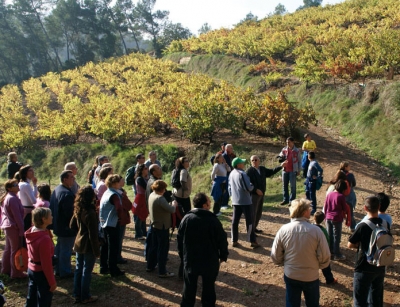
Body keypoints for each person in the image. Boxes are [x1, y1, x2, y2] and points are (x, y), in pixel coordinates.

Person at [271, 198, 331, 307]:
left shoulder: (283, 230)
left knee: (292, 303)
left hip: (291, 274)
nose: (311, 210)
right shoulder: (316, 231)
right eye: (309, 208)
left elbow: (275, 255)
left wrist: (284, 264)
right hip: (311, 276)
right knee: (312, 303)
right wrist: (319, 266)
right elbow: (325, 255)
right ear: (304, 212)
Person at [177, 193, 229, 307]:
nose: (210, 204)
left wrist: (182, 256)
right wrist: (223, 254)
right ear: (204, 205)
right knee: (209, 288)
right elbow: (222, 239)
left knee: (189, 288)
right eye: (209, 202)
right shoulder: (213, 220)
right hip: (209, 261)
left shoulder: (186, 218)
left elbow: (180, 239)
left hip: (191, 259)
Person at [348, 196, 390, 307]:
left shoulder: (362, 226)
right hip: (380, 265)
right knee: (376, 299)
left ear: (365, 208)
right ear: (379, 207)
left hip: (363, 267)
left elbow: (350, 244)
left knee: (360, 300)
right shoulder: (385, 224)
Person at [70, 186, 100, 304]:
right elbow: (93, 235)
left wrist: (80, 230)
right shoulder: (90, 212)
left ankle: (77, 294)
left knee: (79, 269)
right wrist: (97, 251)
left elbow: (72, 225)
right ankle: (85, 296)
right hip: (88, 245)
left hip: (78, 243)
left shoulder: (78, 209)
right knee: (87, 271)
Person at [25, 207, 56, 306]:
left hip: (31, 269)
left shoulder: (32, 231)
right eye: (50, 215)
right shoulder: (44, 239)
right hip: (41, 272)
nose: (52, 217)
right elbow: (46, 264)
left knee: (31, 297)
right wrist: (52, 282)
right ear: (44, 219)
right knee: (44, 300)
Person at [246, 155, 285, 233]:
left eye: (255, 160)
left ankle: (254, 228)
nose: (254, 161)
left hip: (262, 194)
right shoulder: (249, 171)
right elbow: (248, 184)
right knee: (253, 213)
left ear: (259, 161)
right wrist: (255, 190)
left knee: (259, 212)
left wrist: (280, 166)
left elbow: (271, 172)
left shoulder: (262, 169)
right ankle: (250, 231)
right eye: (252, 160)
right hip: (254, 195)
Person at [146, 180, 177, 278]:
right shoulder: (160, 199)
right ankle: (162, 271)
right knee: (162, 249)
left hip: (154, 224)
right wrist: (174, 204)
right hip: (162, 226)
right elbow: (172, 210)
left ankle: (150, 266)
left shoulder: (152, 195)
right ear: (162, 189)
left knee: (153, 247)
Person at [50, 170, 76, 278]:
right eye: (71, 177)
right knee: (65, 250)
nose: (73, 179)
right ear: (65, 179)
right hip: (66, 228)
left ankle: (58, 269)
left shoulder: (57, 189)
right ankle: (65, 271)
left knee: (59, 248)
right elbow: (69, 213)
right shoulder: (67, 194)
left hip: (58, 225)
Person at [228, 157, 259, 248]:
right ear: (238, 165)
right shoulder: (242, 174)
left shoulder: (231, 173)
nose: (243, 164)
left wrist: (232, 198)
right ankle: (252, 241)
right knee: (249, 221)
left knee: (235, 221)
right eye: (242, 163)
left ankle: (234, 240)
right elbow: (248, 188)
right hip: (245, 201)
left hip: (235, 201)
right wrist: (252, 186)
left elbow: (229, 188)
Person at [99, 174, 125, 277]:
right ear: (114, 183)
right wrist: (120, 217)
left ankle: (103, 267)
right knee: (113, 247)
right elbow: (118, 207)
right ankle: (113, 269)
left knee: (105, 246)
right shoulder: (114, 195)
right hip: (113, 223)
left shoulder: (107, 192)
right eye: (119, 182)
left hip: (104, 222)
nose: (120, 183)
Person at [0, 179, 26, 279]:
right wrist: (21, 229)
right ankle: (15, 273)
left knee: (8, 249)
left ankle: (5, 270)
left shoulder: (9, 197)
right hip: (13, 227)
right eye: (15, 185)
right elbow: (17, 216)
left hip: (8, 226)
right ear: (9, 188)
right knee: (15, 250)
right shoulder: (13, 199)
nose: (17, 185)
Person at [323, 180, 348, 261]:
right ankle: (337, 254)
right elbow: (344, 208)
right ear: (343, 189)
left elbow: (325, 206)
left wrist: (325, 217)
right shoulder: (341, 196)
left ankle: (330, 252)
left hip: (328, 217)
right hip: (337, 218)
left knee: (329, 235)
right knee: (336, 236)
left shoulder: (329, 194)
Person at [313, 211, 338, 285]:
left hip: (312, 250)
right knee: (325, 265)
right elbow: (327, 240)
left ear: (314, 218)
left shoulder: (310, 228)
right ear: (323, 219)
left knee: (312, 266)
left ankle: (314, 279)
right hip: (321, 251)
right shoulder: (323, 230)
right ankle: (329, 279)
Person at [279, 137, 302, 206]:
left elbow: (299, 161)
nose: (287, 143)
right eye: (286, 142)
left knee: (292, 186)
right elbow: (280, 156)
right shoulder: (284, 149)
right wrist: (281, 157)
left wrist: (298, 170)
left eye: (288, 142)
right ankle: (285, 199)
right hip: (285, 170)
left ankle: (292, 200)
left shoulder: (296, 151)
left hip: (293, 170)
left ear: (292, 142)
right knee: (284, 185)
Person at [18, 165, 38, 231]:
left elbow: (34, 196)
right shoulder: (26, 185)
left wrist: (34, 185)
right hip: (28, 212)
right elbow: (34, 201)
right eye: (30, 170)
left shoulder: (22, 183)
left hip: (24, 210)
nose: (33, 172)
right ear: (25, 173)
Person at [117, 180, 132, 264]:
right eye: (121, 180)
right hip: (121, 219)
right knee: (119, 239)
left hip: (117, 220)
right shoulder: (120, 194)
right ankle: (117, 257)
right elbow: (129, 205)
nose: (123, 181)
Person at [133, 164, 149, 240]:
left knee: (143, 215)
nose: (147, 170)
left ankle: (143, 232)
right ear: (142, 170)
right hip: (140, 198)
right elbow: (146, 187)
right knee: (139, 216)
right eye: (145, 168)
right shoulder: (139, 179)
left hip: (143, 197)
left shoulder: (144, 178)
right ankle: (138, 233)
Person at [340, 161, 357, 231]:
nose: (350, 167)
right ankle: (352, 226)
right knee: (350, 211)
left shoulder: (339, 174)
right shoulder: (350, 175)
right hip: (349, 194)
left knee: (340, 210)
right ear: (346, 167)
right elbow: (354, 184)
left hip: (340, 194)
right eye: (349, 166)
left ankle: (339, 225)